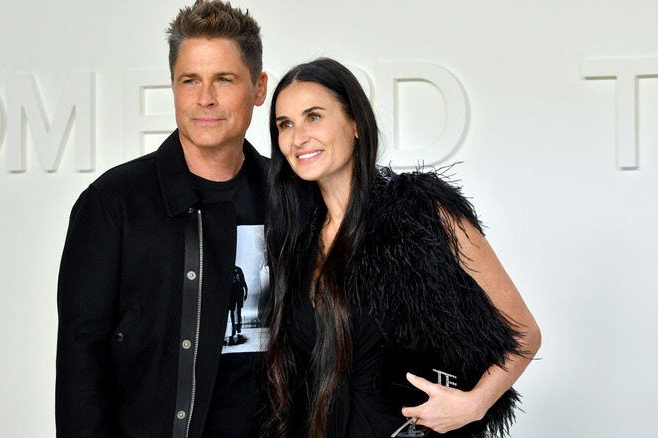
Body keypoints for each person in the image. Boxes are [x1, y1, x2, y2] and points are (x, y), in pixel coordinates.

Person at [263, 58, 541, 438]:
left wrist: (474, 405)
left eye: (314, 116)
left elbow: (524, 332)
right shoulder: (296, 239)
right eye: (285, 124)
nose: (298, 137)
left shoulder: (422, 212)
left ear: (356, 123)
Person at [55, 1, 269, 437]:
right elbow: (81, 364)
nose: (205, 98)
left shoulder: (289, 198)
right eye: (190, 80)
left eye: (224, 80)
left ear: (259, 87)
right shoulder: (113, 203)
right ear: (173, 86)